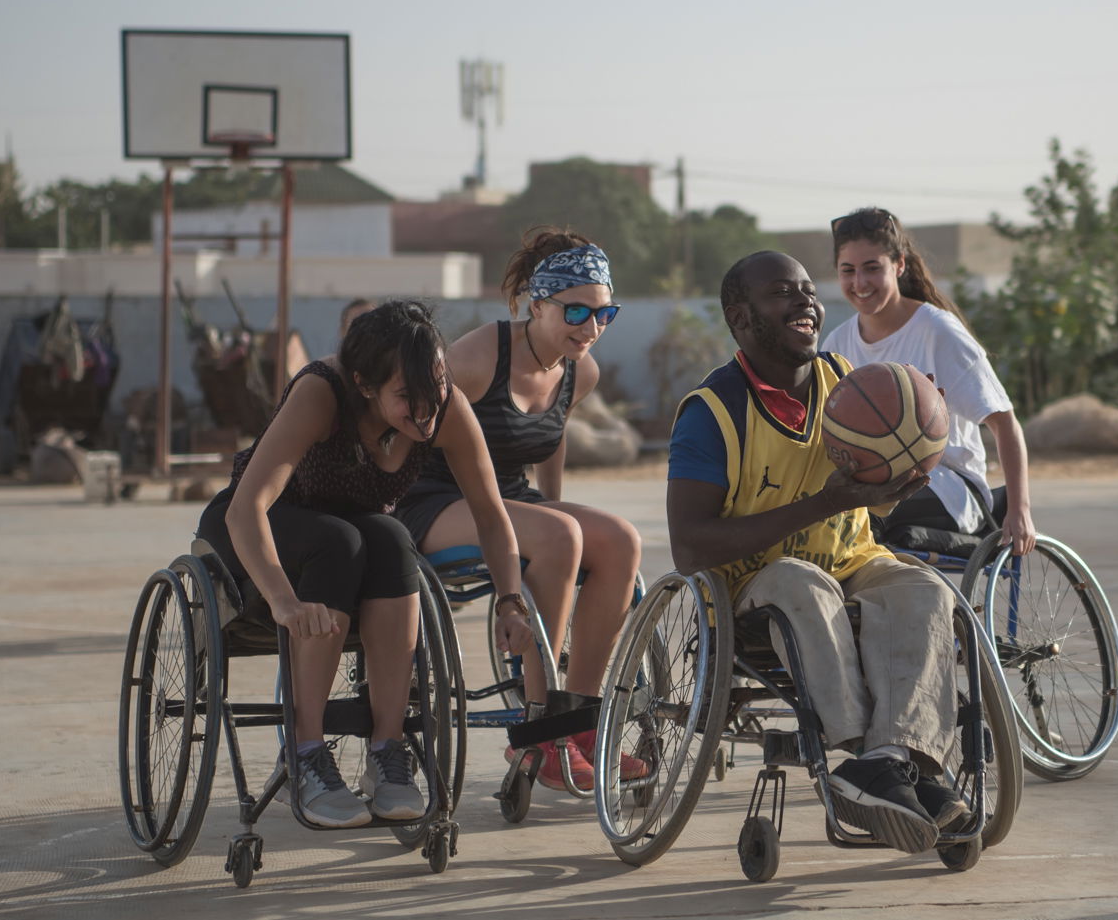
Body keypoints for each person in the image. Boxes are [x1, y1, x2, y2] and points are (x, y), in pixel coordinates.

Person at [667, 249, 967, 856]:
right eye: (783, 292)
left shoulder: (851, 382)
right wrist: (823, 504)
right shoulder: (713, 412)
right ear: (741, 317)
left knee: (925, 588)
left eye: (808, 289)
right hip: (751, 582)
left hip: (850, 560)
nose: (806, 301)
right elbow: (690, 545)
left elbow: (863, 502)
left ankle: (895, 759)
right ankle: (864, 755)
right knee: (802, 582)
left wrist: (894, 481)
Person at [196, 300, 532, 827]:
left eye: (437, 387)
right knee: (341, 542)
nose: (427, 411)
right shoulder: (322, 393)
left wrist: (510, 601)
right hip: (258, 528)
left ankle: (387, 751)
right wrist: (284, 602)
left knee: (395, 539)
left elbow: (492, 516)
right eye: (407, 398)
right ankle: (303, 755)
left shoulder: (444, 408)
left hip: (347, 534)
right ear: (365, 384)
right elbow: (246, 509)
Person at [396, 230, 642, 792]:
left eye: (606, 314)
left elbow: (550, 439)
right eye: (576, 310)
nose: (592, 326)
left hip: (508, 497)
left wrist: (556, 512)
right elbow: (405, 426)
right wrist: (554, 530)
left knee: (620, 540)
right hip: (431, 497)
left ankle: (577, 725)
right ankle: (539, 733)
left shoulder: (582, 370)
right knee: (558, 535)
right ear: (538, 305)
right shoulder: (479, 357)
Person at [821, 207, 1037, 555]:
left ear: (899, 265)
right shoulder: (836, 344)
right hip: (872, 484)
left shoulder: (937, 331)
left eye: (872, 268)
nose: (859, 283)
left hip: (950, 489)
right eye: (848, 271)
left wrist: (1020, 510)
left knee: (861, 514)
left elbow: (1005, 423)